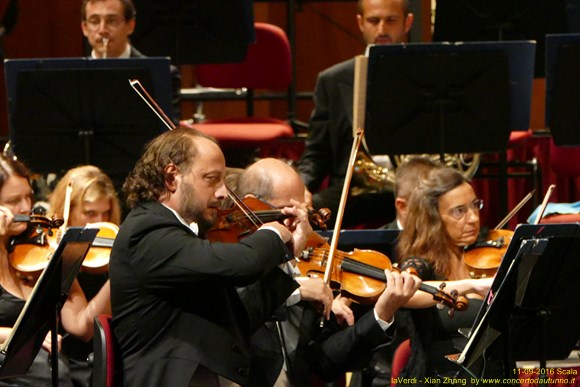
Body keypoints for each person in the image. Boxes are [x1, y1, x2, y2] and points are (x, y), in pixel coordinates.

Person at [109, 128, 313, 386]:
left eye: (223, 181)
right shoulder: (148, 232)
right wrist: (274, 232)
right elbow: (244, 262)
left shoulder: (179, 234)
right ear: (172, 177)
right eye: (211, 179)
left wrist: (287, 254)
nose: (223, 193)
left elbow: (238, 319)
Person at [236, 158, 422, 386]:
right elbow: (238, 320)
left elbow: (324, 363)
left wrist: (381, 313)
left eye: (306, 214)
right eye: (290, 213)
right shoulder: (232, 267)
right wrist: (294, 290)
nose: (303, 228)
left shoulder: (306, 276)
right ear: (253, 207)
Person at [297, 0, 414, 228]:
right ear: (360, 22)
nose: (381, 29)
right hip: (352, 189)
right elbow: (316, 154)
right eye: (373, 21)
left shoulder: (425, 72)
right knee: (309, 215)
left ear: (407, 22)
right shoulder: (333, 80)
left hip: (414, 186)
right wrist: (299, 186)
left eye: (391, 21)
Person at [0, 154, 111, 386]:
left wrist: (119, 273)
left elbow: (81, 326)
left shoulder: (40, 251)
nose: (26, 207)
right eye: (13, 201)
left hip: (51, 372)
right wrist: (14, 336)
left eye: (28, 196)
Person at [395, 167, 494, 382]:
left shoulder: (489, 252)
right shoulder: (420, 262)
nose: (473, 219)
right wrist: (470, 285)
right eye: (459, 211)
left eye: (475, 206)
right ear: (434, 219)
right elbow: (405, 293)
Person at [47, 165, 121, 387]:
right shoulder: (58, 256)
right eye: (90, 213)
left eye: (106, 213)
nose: (101, 223)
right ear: (67, 210)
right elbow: (85, 330)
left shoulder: (110, 248)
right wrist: (121, 271)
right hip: (77, 365)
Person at [80, 0, 181, 122]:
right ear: (85, 28)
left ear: (130, 25)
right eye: (94, 21)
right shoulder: (73, 77)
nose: (102, 30)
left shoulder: (162, 75)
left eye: (112, 21)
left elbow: (168, 134)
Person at [381, 156, 440, 230]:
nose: (441, 214)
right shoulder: (371, 241)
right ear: (403, 207)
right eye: (432, 205)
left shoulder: (449, 238)